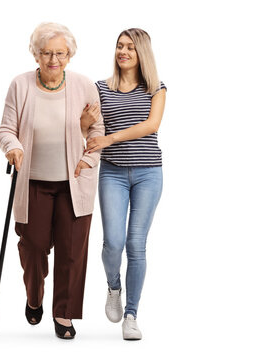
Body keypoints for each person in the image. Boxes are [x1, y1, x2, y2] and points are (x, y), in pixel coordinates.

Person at [0, 22, 104, 339]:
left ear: (69, 55)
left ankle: (64, 314)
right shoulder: (21, 85)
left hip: (74, 182)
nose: (53, 59)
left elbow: (97, 130)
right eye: (46, 53)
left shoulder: (84, 85)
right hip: (33, 183)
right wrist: (14, 147)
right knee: (33, 246)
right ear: (36, 54)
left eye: (59, 53)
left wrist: (87, 158)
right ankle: (34, 295)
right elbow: (5, 130)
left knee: (72, 252)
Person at [83, 28, 166, 340]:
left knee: (136, 245)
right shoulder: (100, 88)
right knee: (113, 243)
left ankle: (131, 314)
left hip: (148, 173)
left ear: (141, 52)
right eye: (120, 46)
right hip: (113, 173)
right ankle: (113, 286)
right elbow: (88, 129)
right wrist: (85, 126)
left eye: (130, 47)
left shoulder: (156, 89)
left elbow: (151, 125)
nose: (123, 52)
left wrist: (111, 138)